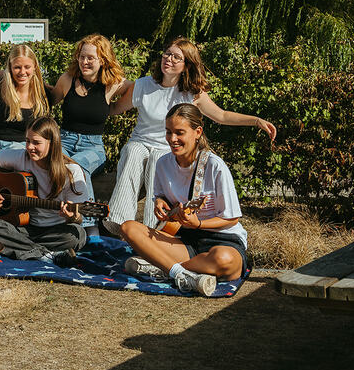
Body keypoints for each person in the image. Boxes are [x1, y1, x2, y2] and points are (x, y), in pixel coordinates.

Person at [106, 37, 277, 231]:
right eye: (167, 54)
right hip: (141, 142)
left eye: (176, 57)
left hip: (167, 147)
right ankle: (118, 222)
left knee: (158, 160)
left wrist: (255, 120)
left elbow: (221, 115)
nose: (168, 59)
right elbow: (113, 109)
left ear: (186, 65)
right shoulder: (143, 85)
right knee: (132, 151)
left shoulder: (191, 93)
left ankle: (152, 228)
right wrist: (105, 90)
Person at [120, 103, 249, 297]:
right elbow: (161, 196)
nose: (173, 139)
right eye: (168, 132)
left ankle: (165, 268)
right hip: (184, 240)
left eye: (179, 133)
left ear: (197, 132)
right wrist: (159, 202)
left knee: (224, 260)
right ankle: (180, 272)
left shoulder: (215, 166)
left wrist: (198, 224)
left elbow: (232, 219)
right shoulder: (163, 163)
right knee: (128, 228)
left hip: (223, 241)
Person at [0, 116, 88, 264]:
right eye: (27, 141)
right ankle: (47, 255)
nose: (29, 147)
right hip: (23, 228)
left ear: (52, 144)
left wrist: (71, 217)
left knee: (78, 235)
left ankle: (26, 249)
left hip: (54, 232)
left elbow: (79, 219)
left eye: (36, 143)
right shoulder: (21, 157)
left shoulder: (71, 172)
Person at [49, 34, 129, 234]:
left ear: (102, 59)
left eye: (90, 58)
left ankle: (89, 225)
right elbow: (48, 103)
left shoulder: (112, 84)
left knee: (78, 167)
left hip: (93, 147)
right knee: (62, 167)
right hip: (64, 142)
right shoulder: (67, 80)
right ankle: (71, 224)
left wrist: (114, 108)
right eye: (82, 57)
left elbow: (139, 89)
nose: (84, 62)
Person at [0, 44, 51, 151]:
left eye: (27, 67)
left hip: (20, 146)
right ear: (10, 67)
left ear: (35, 67)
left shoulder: (43, 93)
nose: (22, 72)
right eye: (17, 67)